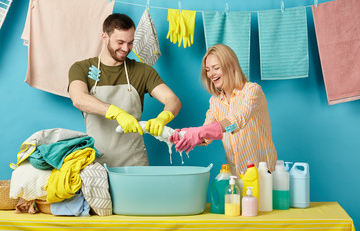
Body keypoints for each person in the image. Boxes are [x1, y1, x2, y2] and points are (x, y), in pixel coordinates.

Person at [68, 13, 182, 167]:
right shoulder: (82, 68)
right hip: (95, 162)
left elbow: (173, 100)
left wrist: (163, 117)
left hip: (135, 162)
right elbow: (79, 98)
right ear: (105, 37)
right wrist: (116, 112)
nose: (126, 48)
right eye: (120, 42)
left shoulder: (142, 71)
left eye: (130, 42)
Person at [170, 44, 277, 176]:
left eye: (216, 68)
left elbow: (237, 121)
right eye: (208, 70)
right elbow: (206, 137)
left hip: (263, 174)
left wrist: (200, 132)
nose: (211, 74)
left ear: (232, 66)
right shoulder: (215, 101)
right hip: (236, 176)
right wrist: (183, 134)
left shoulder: (252, 91)